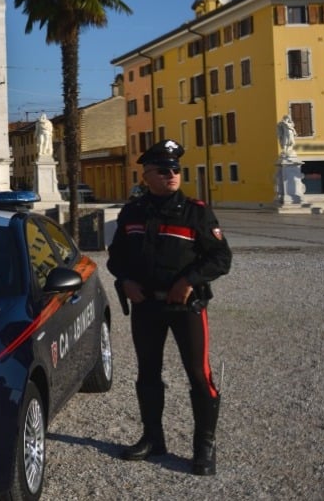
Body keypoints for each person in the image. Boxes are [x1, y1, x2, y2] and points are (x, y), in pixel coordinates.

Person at [106, 139, 232, 476]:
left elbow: (221, 258)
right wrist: (125, 281)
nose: (172, 174)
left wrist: (189, 280)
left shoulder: (196, 211)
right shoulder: (133, 212)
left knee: (198, 375)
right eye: (164, 170)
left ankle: (204, 447)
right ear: (147, 175)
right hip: (146, 306)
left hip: (186, 308)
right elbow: (117, 257)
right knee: (148, 373)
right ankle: (152, 439)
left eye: (176, 169)